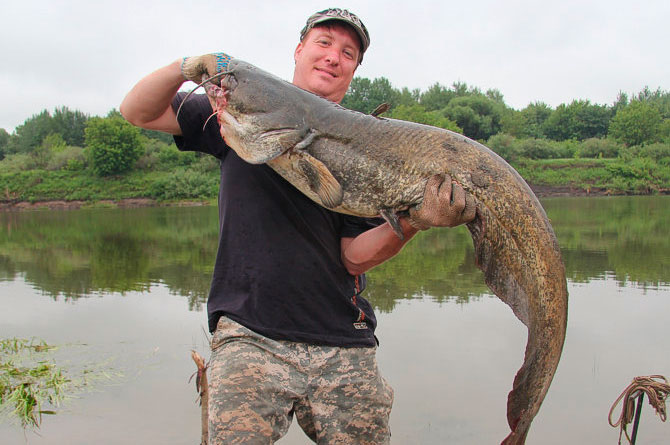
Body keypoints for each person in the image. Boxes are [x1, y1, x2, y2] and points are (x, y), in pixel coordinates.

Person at [120, 7, 474, 444]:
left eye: (348, 52)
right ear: (299, 50)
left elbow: (354, 256)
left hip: (344, 338)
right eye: (323, 43)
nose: (333, 56)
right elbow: (136, 111)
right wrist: (187, 66)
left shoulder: (368, 146)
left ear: (354, 71)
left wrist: (416, 221)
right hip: (249, 336)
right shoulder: (234, 111)